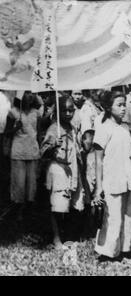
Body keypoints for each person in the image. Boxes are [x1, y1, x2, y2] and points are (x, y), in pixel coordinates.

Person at [93, 91, 131, 261]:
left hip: (126, 178)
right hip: (111, 178)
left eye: (125, 104)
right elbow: (99, 160)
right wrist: (99, 187)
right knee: (113, 217)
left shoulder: (124, 127)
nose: (123, 108)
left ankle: (124, 250)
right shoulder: (104, 128)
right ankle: (107, 253)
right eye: (119, 105)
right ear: (109, 107)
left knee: (127, 216)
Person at [41, 96, 79, 249]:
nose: (68, 113)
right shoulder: (53, 128)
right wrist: (51, 146)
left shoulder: (72, 127)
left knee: (69, 203)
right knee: (57, 205)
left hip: (71, 168)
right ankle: (56, 239)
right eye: (65, 110)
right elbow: (42, 153)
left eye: (71, 110)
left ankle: (67, 235)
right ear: (58, 111)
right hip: (58, 169)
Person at [7, 92, 43, 223]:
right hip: (18, 152)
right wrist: (15, 128)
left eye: (31, 94)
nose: (30, 97)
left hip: (32, 151)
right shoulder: (13, 112)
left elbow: (38, 133)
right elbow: (7, 133)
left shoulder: (36, 113)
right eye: (26, 93)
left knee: (31, 184)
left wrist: (40, 151)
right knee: (19, 184)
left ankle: (29, 210)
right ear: (20, 95)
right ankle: (18, 210)